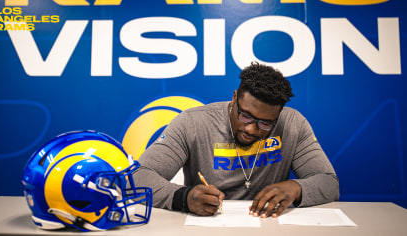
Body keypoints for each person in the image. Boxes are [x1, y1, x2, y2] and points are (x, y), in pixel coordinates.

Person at [133, 62, 339, 218]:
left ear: (278, 116)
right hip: (206, 226)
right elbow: (136, 178)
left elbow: (329, 183)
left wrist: (296, 188)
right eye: (246, 115)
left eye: (265, 123)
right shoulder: (192, 122)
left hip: (269, 227)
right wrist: (183, 198)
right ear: (234, 99)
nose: (251, 129)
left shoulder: (293, 124)